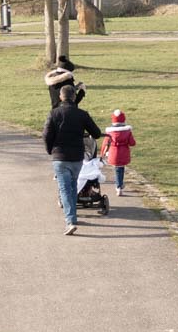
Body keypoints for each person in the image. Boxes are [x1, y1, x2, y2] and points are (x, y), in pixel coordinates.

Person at [42, 85, 101, 235]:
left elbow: (46, 134)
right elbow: (96, 133)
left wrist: (50, 150)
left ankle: (70, 221)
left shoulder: (54, 113)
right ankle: (72, 217)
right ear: (74, 97)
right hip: (77, 158)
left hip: (60, 157)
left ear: (61, 97)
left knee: (64, 188)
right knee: (73, 186)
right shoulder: (82, 114)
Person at [102, 109, 136, 197]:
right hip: (124, 153)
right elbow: (132, 143)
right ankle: (119, 185)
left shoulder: (110, 132)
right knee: (121, 169)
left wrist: (103, 153)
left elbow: (105, 143)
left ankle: (119, 186)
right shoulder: (127, 131)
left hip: (113, 153)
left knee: (117, 170)